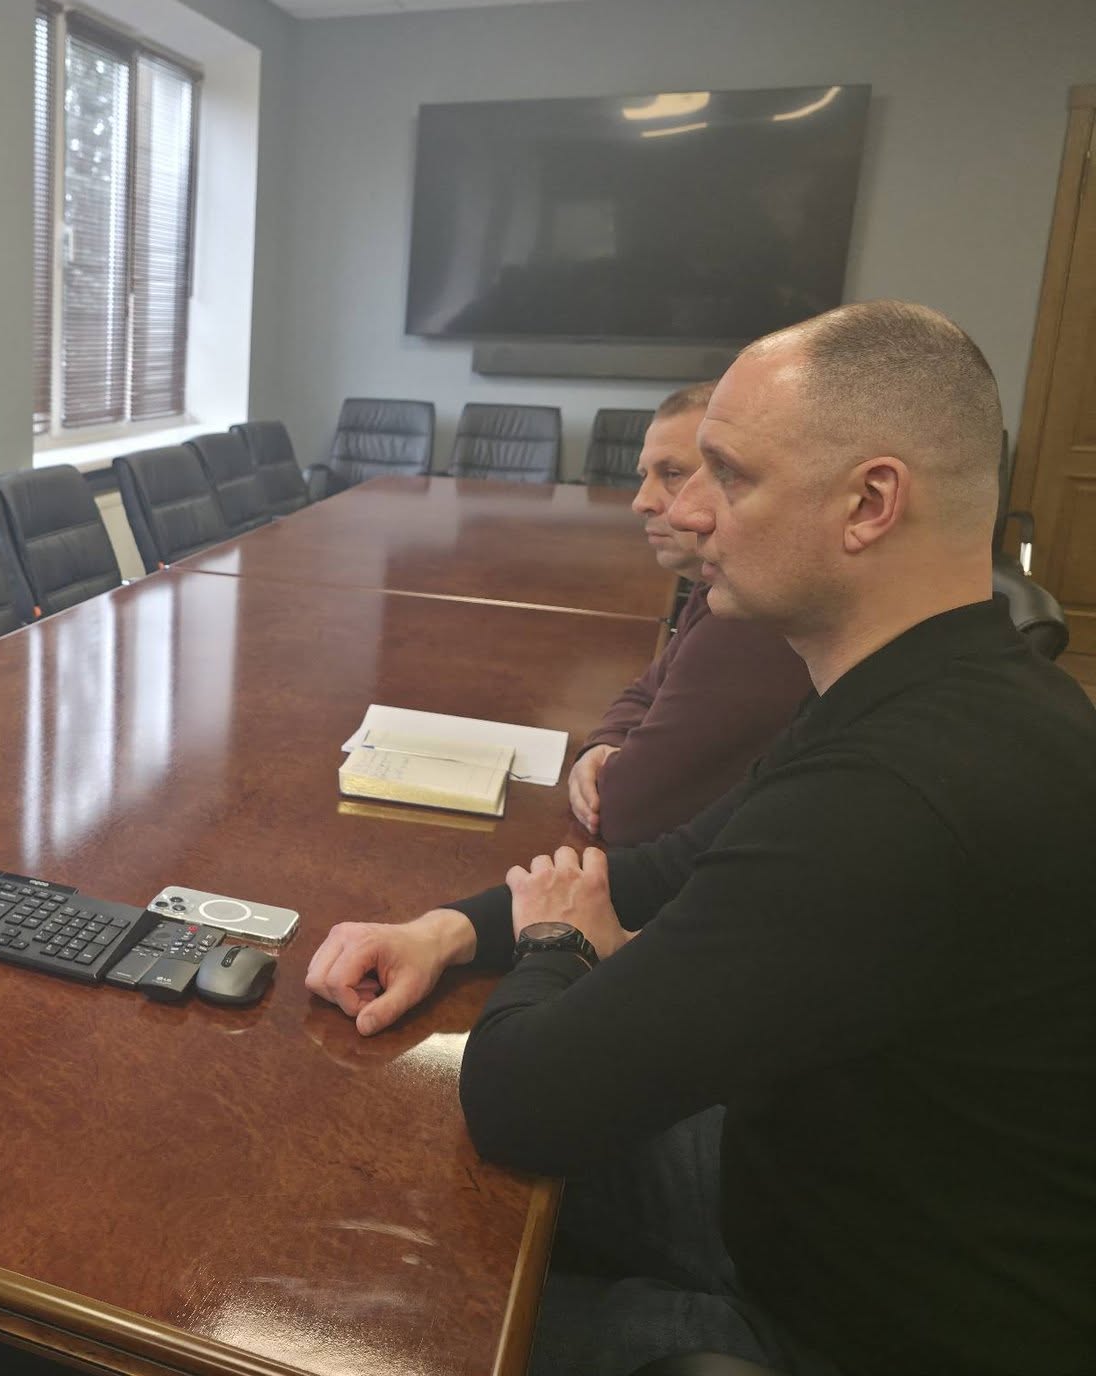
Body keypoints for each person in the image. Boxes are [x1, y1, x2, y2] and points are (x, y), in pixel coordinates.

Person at [307, 302, 1096, 1376]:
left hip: (839, 1321)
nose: (687, 512)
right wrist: (442, 929)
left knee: (363, 1312)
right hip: (801, 1181)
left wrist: (555, 946)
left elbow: (522, 1104)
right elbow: (671, 867)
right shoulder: (931, 690)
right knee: (383, 1173)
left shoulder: (893, 795)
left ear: (869, 503)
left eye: (727, 475)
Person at [566, 383, 809, 843]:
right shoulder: (713, 585)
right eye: (645, 475)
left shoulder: (753, 616)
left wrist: (607, 762)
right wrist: (605, 743)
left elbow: (624, 808)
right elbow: (646, 689)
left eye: (673, 473)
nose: (641, 501)